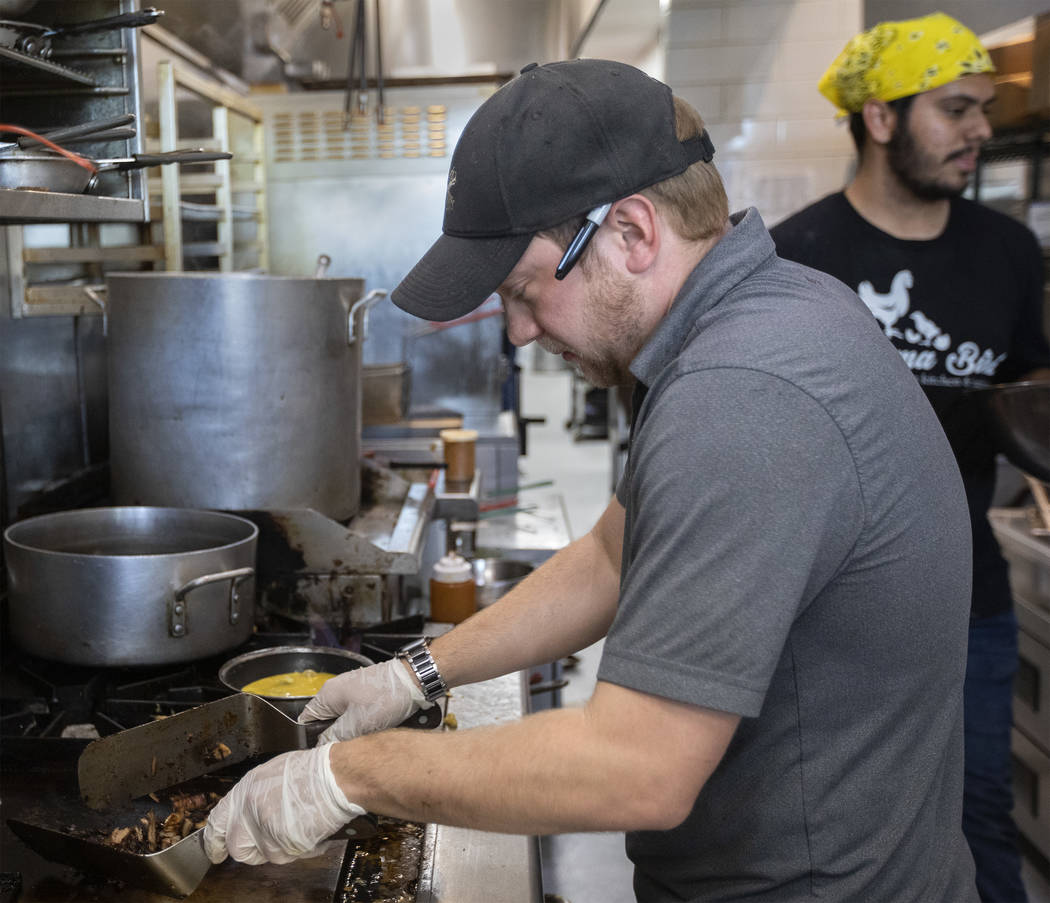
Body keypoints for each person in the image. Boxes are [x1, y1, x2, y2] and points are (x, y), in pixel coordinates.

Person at [203, 59, 979, 901]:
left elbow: (638, 767)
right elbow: (617, 551)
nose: (519, 331)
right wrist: (416, 674)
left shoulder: (743, 394)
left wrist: (348, 777)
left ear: (634, 233)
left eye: (525, 290)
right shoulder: (762, 314)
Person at [770, 13, 1050, 902]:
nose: (979, 130)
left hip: (970, 598)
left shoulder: (1008, 251)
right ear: (881, 118)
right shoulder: (798, 256)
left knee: (977, 816)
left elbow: (1034, 394)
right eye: (955, 108)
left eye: (983, 109)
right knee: (827, 831)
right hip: (826, 615)